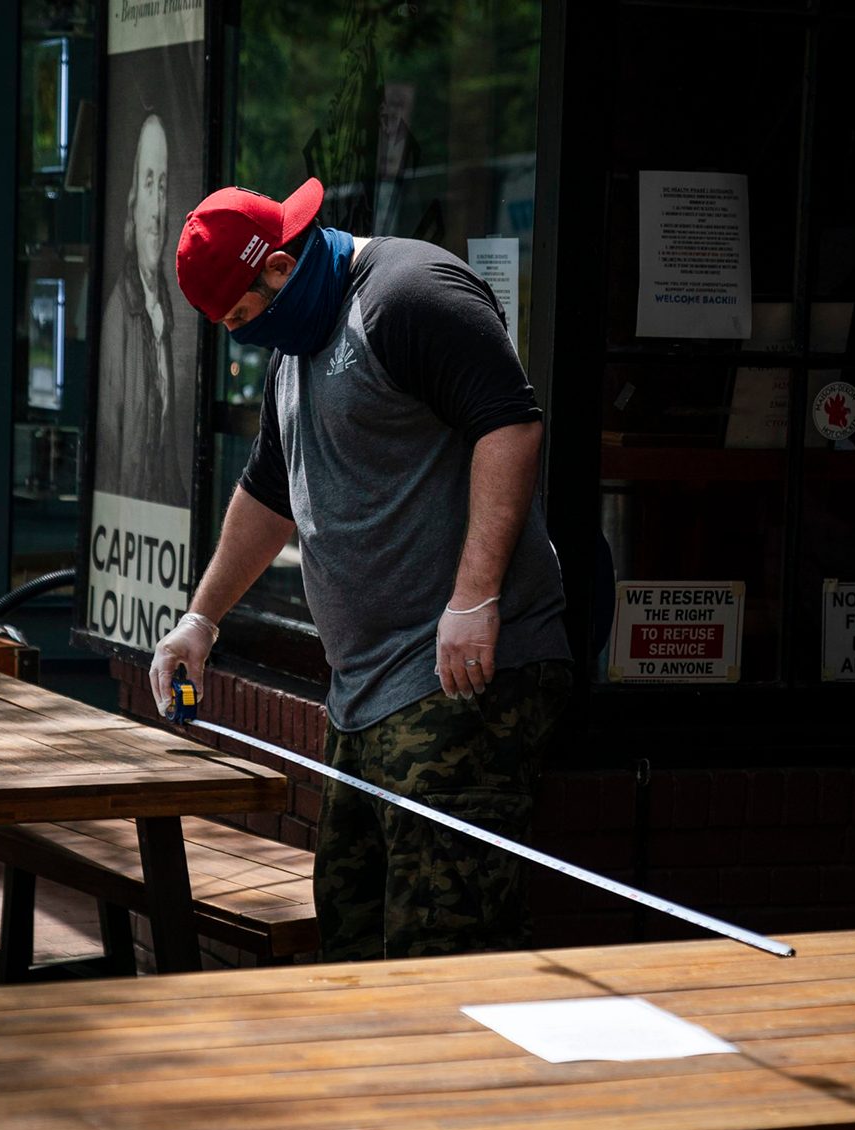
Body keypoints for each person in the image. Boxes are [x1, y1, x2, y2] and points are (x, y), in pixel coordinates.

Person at [150, 177, 571, 960]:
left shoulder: (408, 294)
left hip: (463, 676)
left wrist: (474, 599)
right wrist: (200, 621)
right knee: (350, 928)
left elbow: (510, 425)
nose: (245, 335)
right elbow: (267, 494)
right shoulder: (294, 351)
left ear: (278, 265)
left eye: (243, 316)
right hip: (364, 693)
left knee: (442, 944)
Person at [95, 112, 188, 507]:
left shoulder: (160, 307)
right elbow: (112, 458)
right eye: (149, 184)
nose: (157, 207)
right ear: (133, 201)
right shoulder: (119, 316)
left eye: (163, 187)